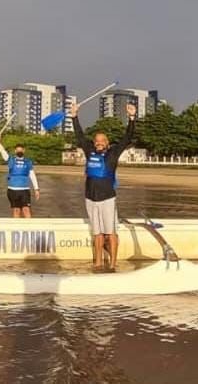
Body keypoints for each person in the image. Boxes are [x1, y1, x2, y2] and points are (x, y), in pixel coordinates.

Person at [71, 101, 137, 270]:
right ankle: (98, 262)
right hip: (90, 199)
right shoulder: (89, 151)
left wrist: (131, 117)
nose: (99, 142)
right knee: (97, 233)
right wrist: (74, 116)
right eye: (97, 141)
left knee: (110, 233)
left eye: (102, 141)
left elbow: (127, 138)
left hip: (107, 199)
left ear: (107, 143)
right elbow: (79, 135)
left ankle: (113, 264)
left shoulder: (113, 152)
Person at [0, 139, 40, 218]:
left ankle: (29, 228)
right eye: (18, 150)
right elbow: (3, 151)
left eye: (21, 150)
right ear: (15, 151)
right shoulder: (10, 160)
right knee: (16, 210)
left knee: (26, 209)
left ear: (24, 151)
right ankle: (16, 228)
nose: (19, 151)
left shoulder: (28, 162)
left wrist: (36, 189)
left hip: (24, 190)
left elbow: (32, 175)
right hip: (12, 190)